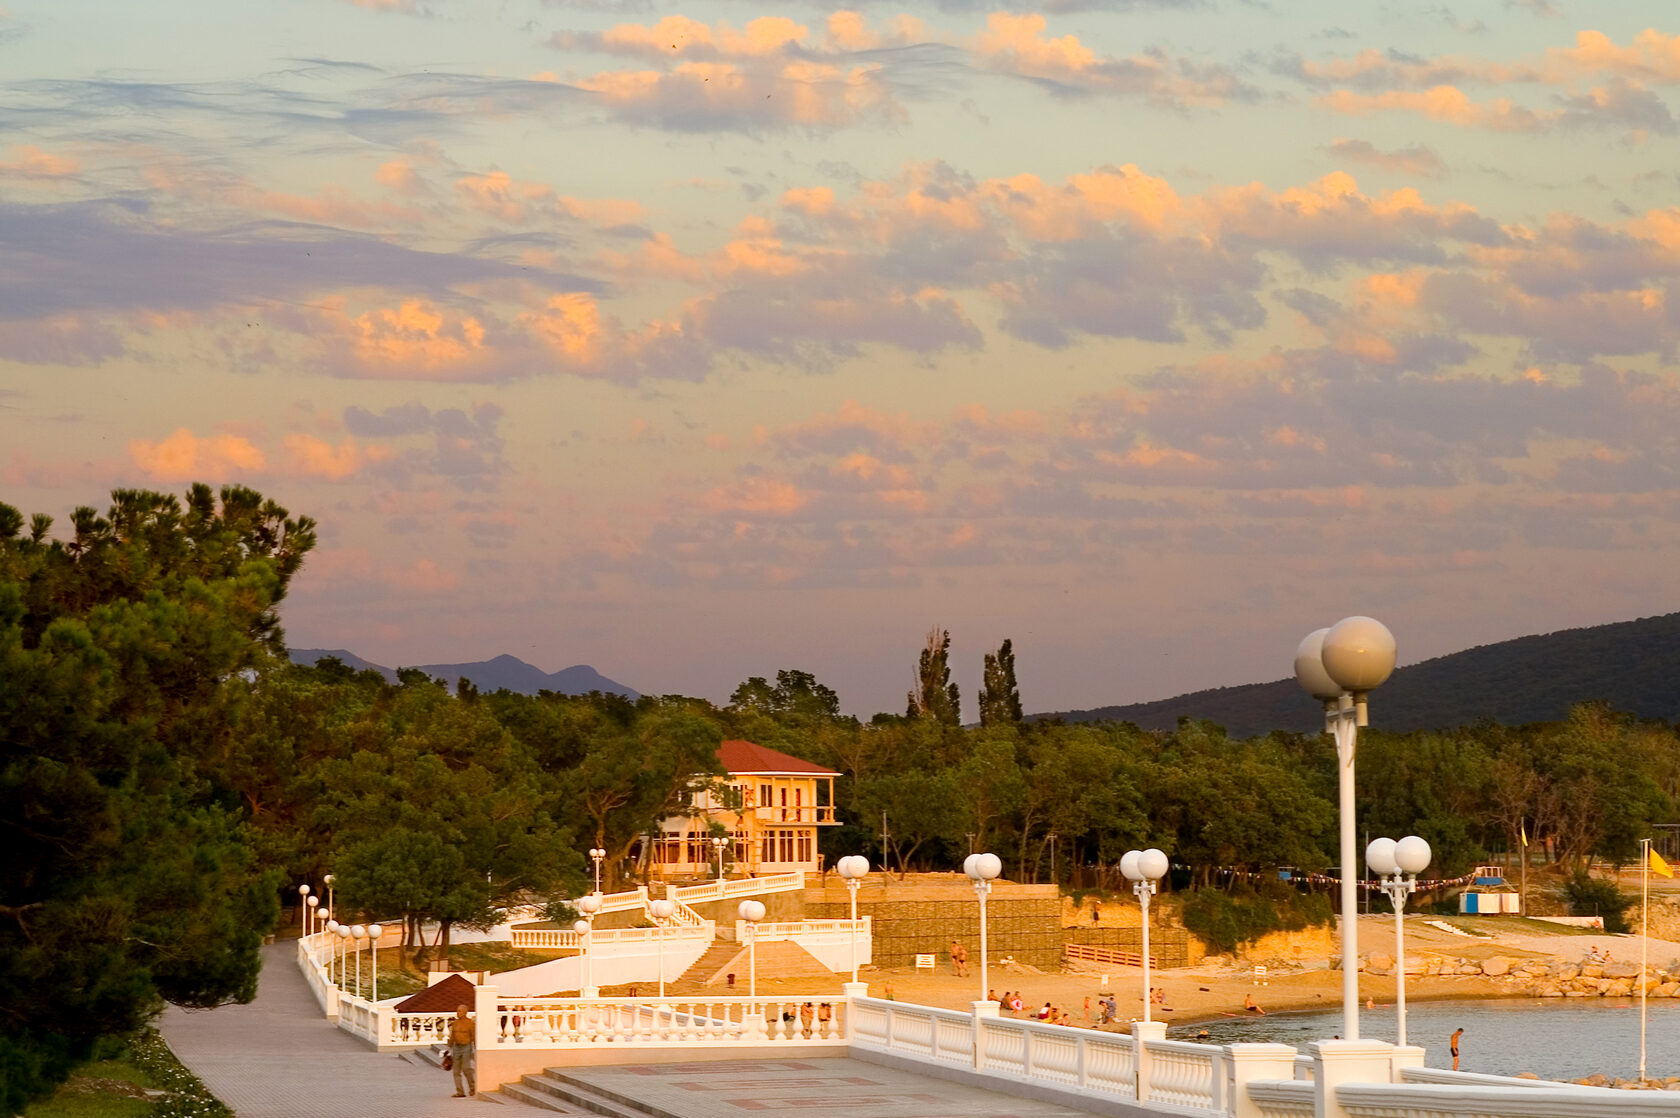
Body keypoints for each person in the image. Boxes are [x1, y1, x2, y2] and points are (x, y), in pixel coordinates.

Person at [448, 1004, 476, 1098]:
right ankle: (460, 1091)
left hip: (466, 1047)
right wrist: (449, 1047)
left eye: (460, 1011)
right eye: (457, 1010)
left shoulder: (470, 1023)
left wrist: (475, 1047)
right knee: (456, 1071)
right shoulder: (455, 1023)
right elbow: (452, 1035)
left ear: (465, 1012)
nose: (458, 1013)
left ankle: (472, 1088)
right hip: (456, 1047)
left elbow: (474, 1036)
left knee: (466, 1068)